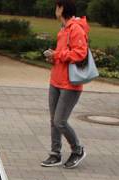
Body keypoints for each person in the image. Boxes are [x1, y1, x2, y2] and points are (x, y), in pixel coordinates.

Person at [41, 0, 89, 169]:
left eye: (57, 6)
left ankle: (78, 150)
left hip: (70, 84)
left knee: (60, 121)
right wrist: (53, 56)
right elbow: (64, 54)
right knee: (54, 120)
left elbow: (80, 53)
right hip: (56, 80)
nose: (55, 9)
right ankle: (55, 154)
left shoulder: (75, 29)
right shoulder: (63, 29)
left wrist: (58, 55)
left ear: (62, 9)